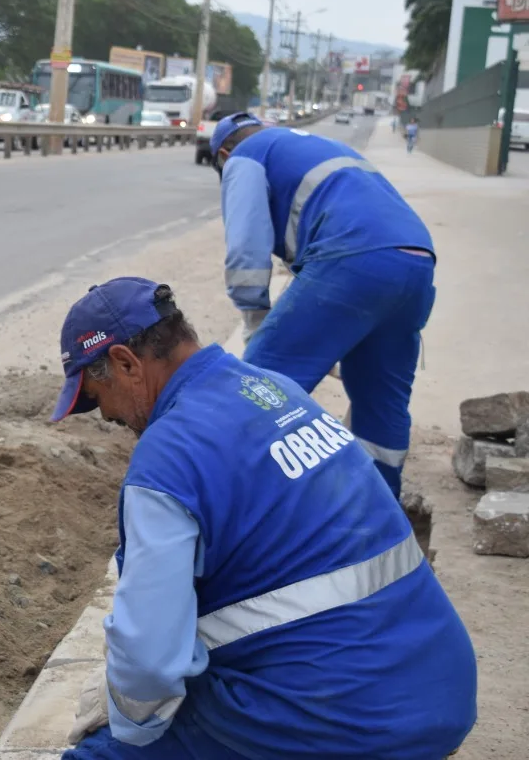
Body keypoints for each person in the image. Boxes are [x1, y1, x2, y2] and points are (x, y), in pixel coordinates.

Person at [51, 277, 476, 760]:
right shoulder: (275, 389)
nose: (108, 416)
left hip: (351, 725)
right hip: (439, 694)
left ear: (127, 363)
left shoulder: (167, 459)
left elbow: (149, 664)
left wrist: (122, 713)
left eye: (96, 396)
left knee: (107, 750)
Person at [209, 112, 435, 498]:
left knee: (256, 393)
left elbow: (246, 251)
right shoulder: (318, 147)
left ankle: (229, 505)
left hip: (353, 258)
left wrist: (256, 321)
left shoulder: (245, 155)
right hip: (416, 262)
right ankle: (376, 511)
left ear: (225, 154)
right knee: (380, 401)